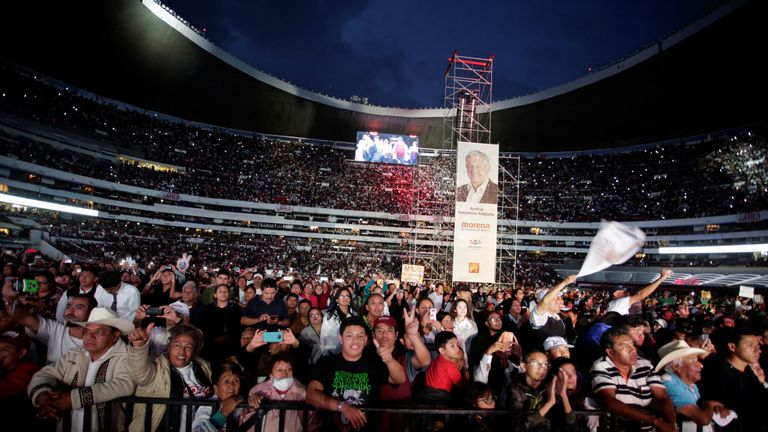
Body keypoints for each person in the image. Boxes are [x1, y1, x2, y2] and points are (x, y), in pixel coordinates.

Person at [27, 307, 136, 431]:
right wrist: (43, 396)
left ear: (115, 335)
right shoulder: (75, 354)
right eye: (86, 332)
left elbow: (125, 384)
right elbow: (44, 375)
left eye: (99, 332)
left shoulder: (127, 356)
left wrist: (72, 399)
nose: (90, 336)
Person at [307, 316, 406, 432]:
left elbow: (400, 379)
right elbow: (311, 395)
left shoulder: (374, 363)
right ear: (341, 339)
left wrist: (389, 359)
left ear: (365, 339)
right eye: (349, 336)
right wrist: (342, 407)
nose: (355, 341)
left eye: (360, 336)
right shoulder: (326, 362)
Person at [127, 322, 213, 432]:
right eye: (177, 345)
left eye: (188, 347)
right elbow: (138, 374)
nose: (182, 351)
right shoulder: (157, 368)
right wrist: (139, 346)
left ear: (194, 350)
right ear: (168, 347)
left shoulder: (203, 368)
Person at [590, 326, 677, 432]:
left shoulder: (645, 365)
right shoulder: (601, 366)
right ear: (610, 352)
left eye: (632, 344)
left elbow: (662, 397)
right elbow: (610, 402)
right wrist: (655, 421)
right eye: (625, 346)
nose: (633, 349)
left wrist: (671, 424)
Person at [699, 327, 767, 432]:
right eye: (750, 345)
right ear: (732, 347)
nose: (758, 350)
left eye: (758, 346)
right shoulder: (719, 373)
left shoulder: (747, 369)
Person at [656, 340, 727, 432]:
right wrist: (710, 404)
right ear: (675, 366)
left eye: (697, 359)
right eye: (692, 360)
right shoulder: (669, 384)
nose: (701, 365)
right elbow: (702, 419)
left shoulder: (690, 384)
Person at [243, 351, 319, 432]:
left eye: (289, 369)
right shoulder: (258, 391)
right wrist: (251, 407)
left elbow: (312, 424)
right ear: (270, 374)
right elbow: (247, 423)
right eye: (279, 370)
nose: (285, 374)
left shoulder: (303, 394)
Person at [192, 362, 246, 432]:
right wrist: (223, 413)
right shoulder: (208, 406)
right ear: (216, 388)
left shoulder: (242, 403)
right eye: (226, 381)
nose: (232, 386)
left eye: (236, 381)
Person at [606, 269, 672, 316]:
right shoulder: (620, 302)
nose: (627, 293)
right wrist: (663, 278)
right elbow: (641, 294)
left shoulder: (613, 303)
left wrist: (660, 278)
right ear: (615, 293)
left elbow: (641, 292)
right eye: (623, 291)